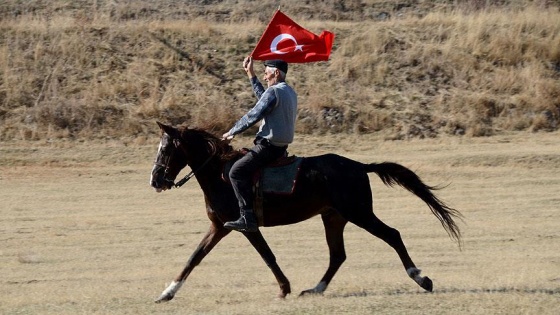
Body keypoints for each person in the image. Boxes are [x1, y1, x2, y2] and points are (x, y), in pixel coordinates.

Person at [222, 57, 298, 232]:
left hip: (267, 148)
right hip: (281, 149)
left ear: (276, 73)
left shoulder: (274, 92)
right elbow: (263, 100)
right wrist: (251, 75)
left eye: (266, 74)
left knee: (236, 172)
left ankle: (247, 216)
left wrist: (232, 132)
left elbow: (254, 114)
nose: (265, 77)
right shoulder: (289, 92)